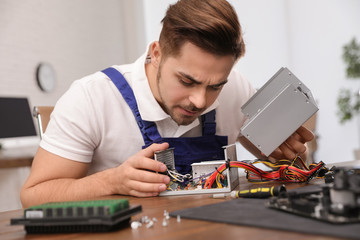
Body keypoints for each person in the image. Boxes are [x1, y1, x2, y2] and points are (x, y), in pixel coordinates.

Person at [21, 0, 313, 208]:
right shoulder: (91, 97)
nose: (200, 100)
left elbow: (291, 166)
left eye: (215, 86)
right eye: (187, 81)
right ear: (156, 53)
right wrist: (110, 182)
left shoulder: (235, 87)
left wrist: (288, 155)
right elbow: (33, 195)